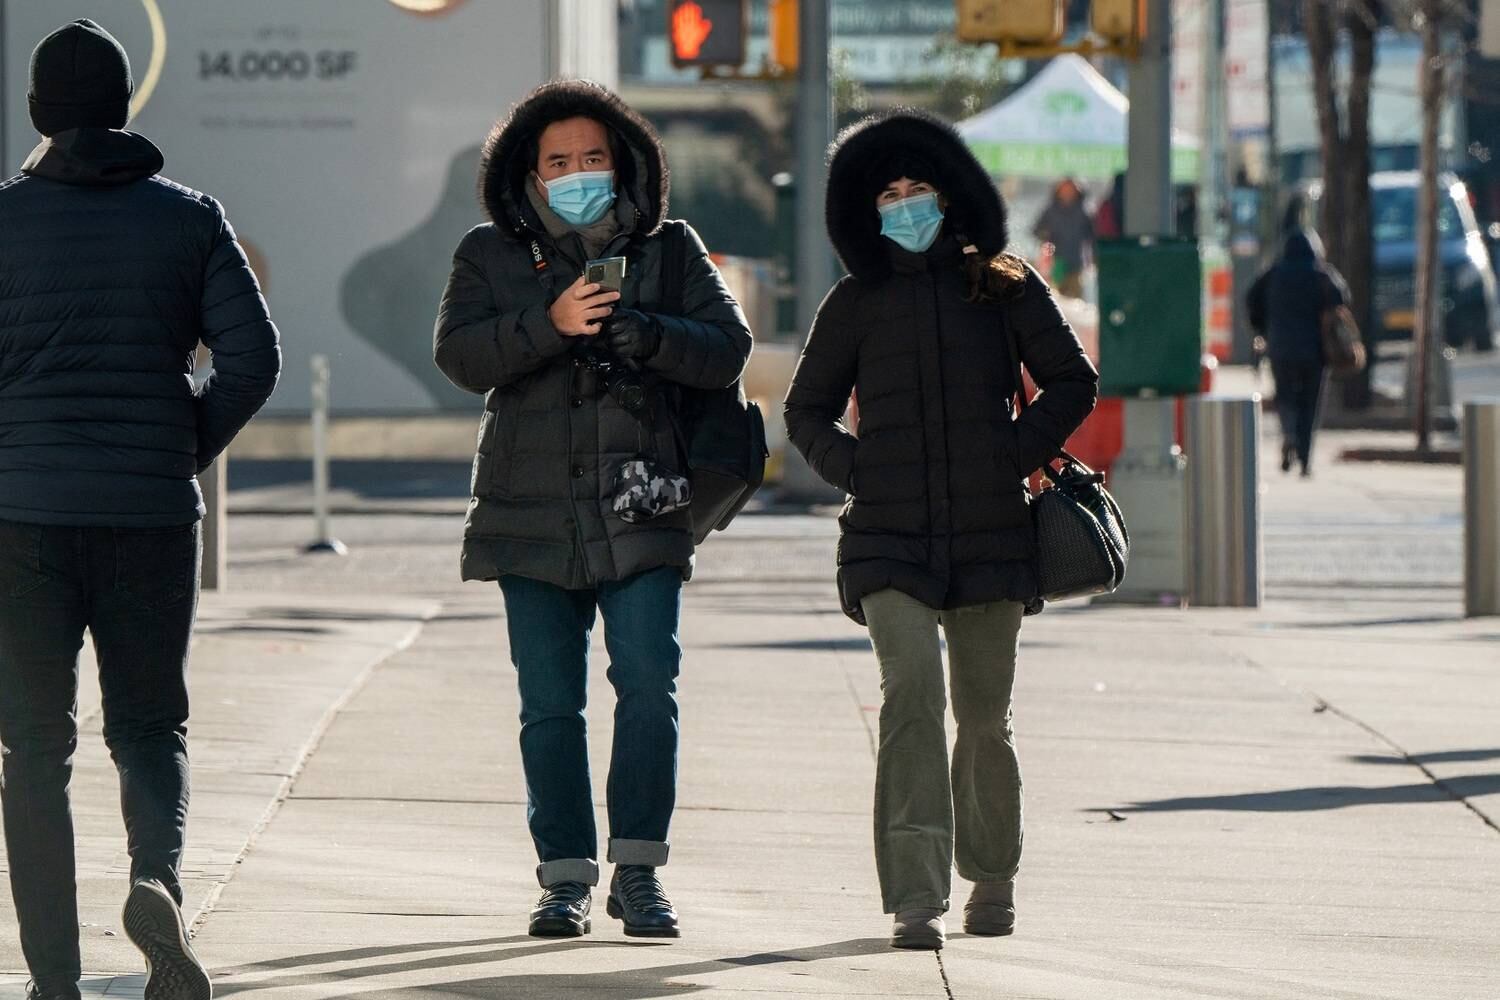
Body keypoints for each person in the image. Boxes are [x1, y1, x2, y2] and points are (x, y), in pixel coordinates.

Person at [0, 19, 281, 1000]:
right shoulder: (190, 219)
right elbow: (255, 359)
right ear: (124, 110)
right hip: (150, 517)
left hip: (19, 520)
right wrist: (179, 449)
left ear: (37, 114)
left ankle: (53, 980)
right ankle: (154, 878)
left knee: (32, 746)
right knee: (149, 727)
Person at [434, 80, 751, 940]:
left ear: (624, 164)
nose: (577, 174)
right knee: (550, 704)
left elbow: (730, 349)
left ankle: (639, 871)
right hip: (528, 512)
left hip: (641, 505)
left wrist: (641, 331)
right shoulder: (487, 254)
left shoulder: (672, 251)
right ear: (529, 177)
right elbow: (460, 354)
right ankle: (565, 879)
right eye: (558, 163)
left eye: (592, 159)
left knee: (649, 687)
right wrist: (552, 321)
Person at [784, 109, 1098, 951]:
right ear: (864, 209)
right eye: (886, 193)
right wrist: (857, 469)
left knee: (984, 715)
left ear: (950, 194)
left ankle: (991, 873)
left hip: (993, 534)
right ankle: (916, 896)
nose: (904, 204)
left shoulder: (1004, 284)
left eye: (916, 188)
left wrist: (1013, 455)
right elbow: (804, 410)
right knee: (911, 695)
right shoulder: (853, 302)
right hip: (887, 538)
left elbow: (1072, 381)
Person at [1246, 230, 1347, 477]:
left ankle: (1289, 432)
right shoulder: (1322, 274)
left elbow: (1251, 300)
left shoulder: (1273, 274)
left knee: (1286, 397)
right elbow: (1343, 298)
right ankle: (1305, 458)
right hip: (1315, 349)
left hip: (1280, 348)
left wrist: (1262, 329)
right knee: (1310, 403)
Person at [1031, 177, 1093, 297]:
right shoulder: (1050, 211)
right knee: (1054, 297)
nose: (1068, 192)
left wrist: (1093, 258)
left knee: (1076, 298)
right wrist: (1046, 238)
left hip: (1076, 262)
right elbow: (1036, 231)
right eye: (1065, 189)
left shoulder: (1084, 211)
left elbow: (1091, 237)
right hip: (1055, 263)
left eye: (1071, 189)